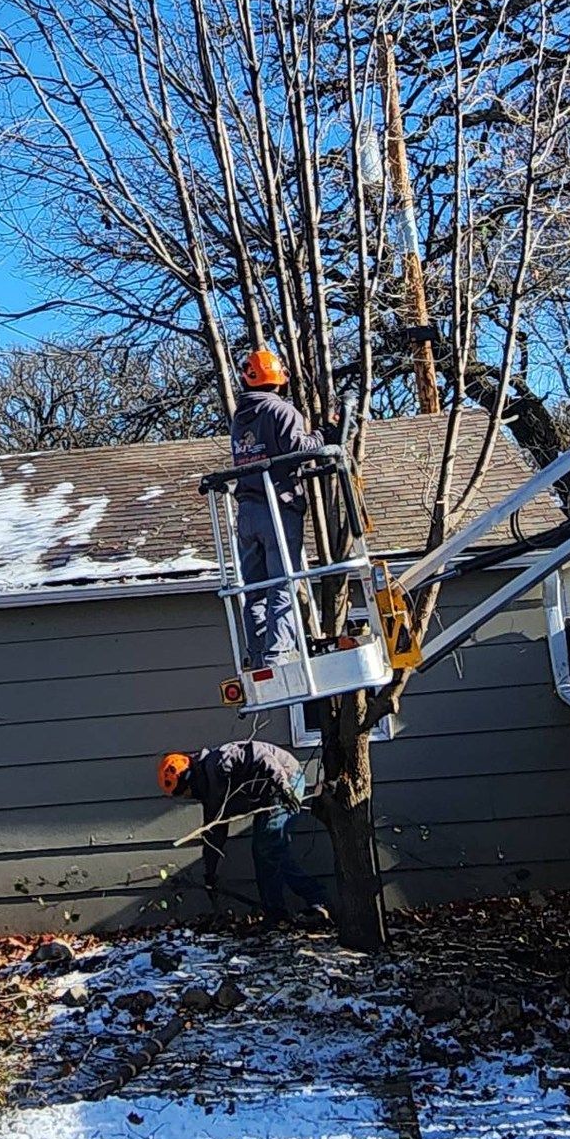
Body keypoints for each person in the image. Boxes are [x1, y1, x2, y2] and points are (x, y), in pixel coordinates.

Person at [157, 741, 331, 928]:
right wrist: (210, 872)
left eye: (184, 793)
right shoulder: (211, 796)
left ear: (189, 780)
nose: (186, 797)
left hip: (286, 778)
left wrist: (284, 787)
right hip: (269, 796)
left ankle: (319, 903)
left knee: (269, 846)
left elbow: (260, 755)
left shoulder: (220, 761)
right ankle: (277, 915)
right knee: (263, 851)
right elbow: (214, 833)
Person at [229, 346, 322, 666]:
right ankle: (278, 654)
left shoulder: (240, 419)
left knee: (255, 589)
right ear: (280, 380)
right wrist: (325, 437)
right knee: (282, 582)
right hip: (277, 508)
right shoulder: (282, 411)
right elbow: (299, 449)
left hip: (247, 511)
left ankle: (257, 654)